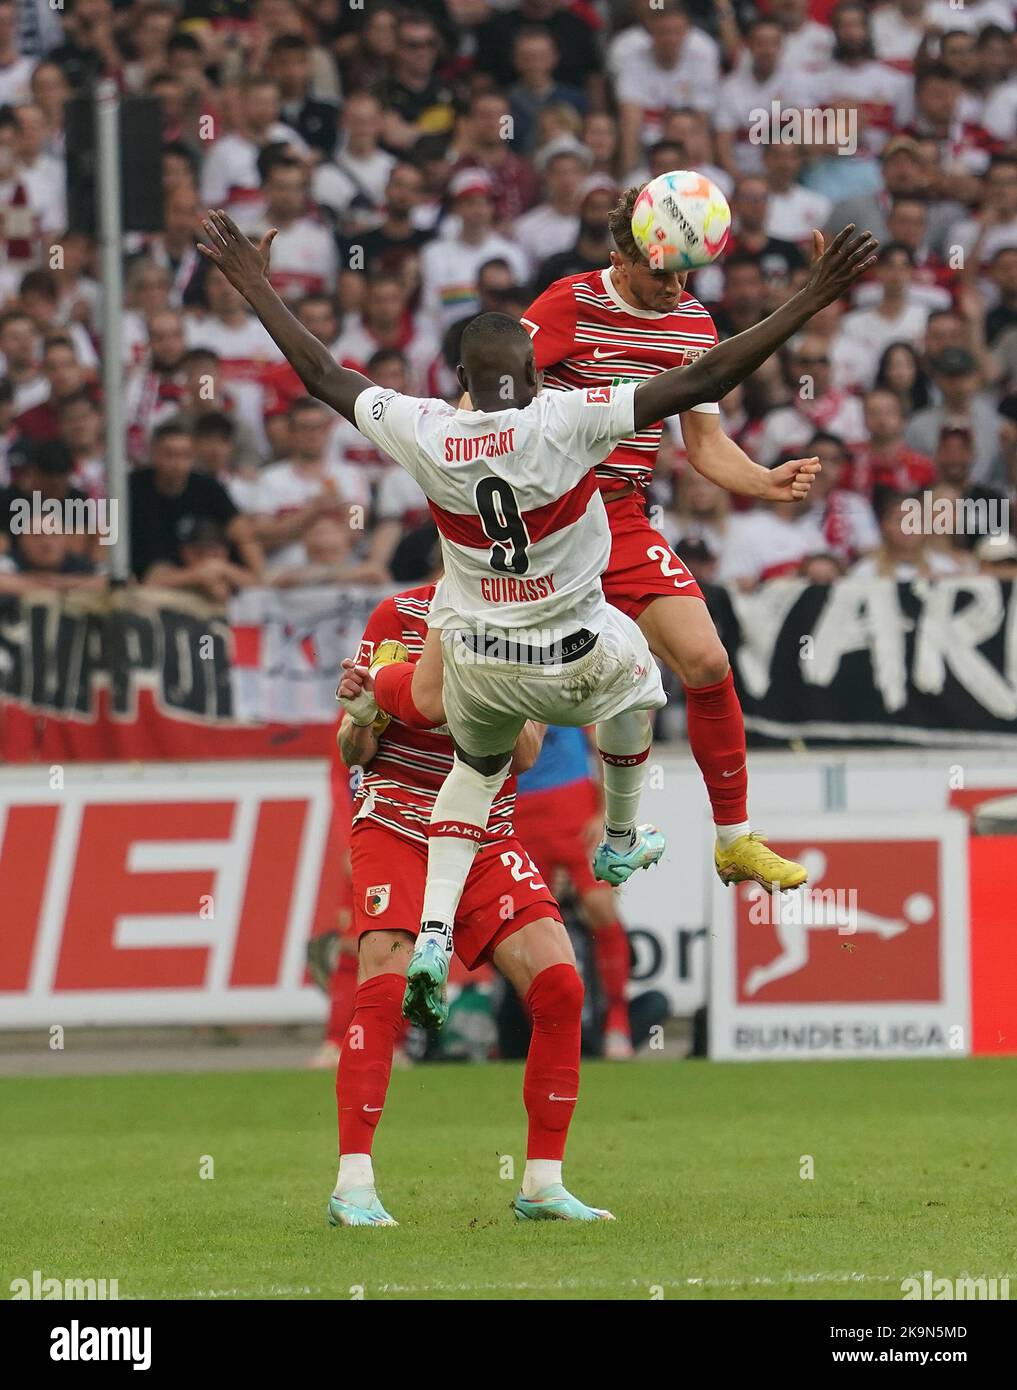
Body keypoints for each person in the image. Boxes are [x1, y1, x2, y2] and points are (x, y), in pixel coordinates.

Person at [198, 207, 875, 1073]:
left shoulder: (431, 431)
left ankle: (433, 927)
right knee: (640, 691)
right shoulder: (571, 417)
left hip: (497, 617)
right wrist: (812, 295)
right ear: (538, 368)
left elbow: (323, 372)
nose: (675, 286)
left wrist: (254, 284)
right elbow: (706, 376)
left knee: (471, 741)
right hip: (567, 600)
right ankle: (624, 838)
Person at [522, 186, 843, 891]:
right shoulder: (567, 303)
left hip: (621, 515)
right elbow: (483, 398)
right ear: (621, 258)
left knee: (703, 658)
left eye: (686, 274)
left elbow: (704, 444)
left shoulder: (693, 325)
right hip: (541, 519)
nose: (675, 288)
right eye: (661, 274)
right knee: (526, 722)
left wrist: (762, 480)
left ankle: (732, 840)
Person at [514, 725, 637, 1059]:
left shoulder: (566, 673)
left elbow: (607, 741)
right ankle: (544, 1033)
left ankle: (617, 1021)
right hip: (517, 807)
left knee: (600, 907)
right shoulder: (498, 672)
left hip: (572, 802)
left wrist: (608, 814)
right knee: (528, 926)